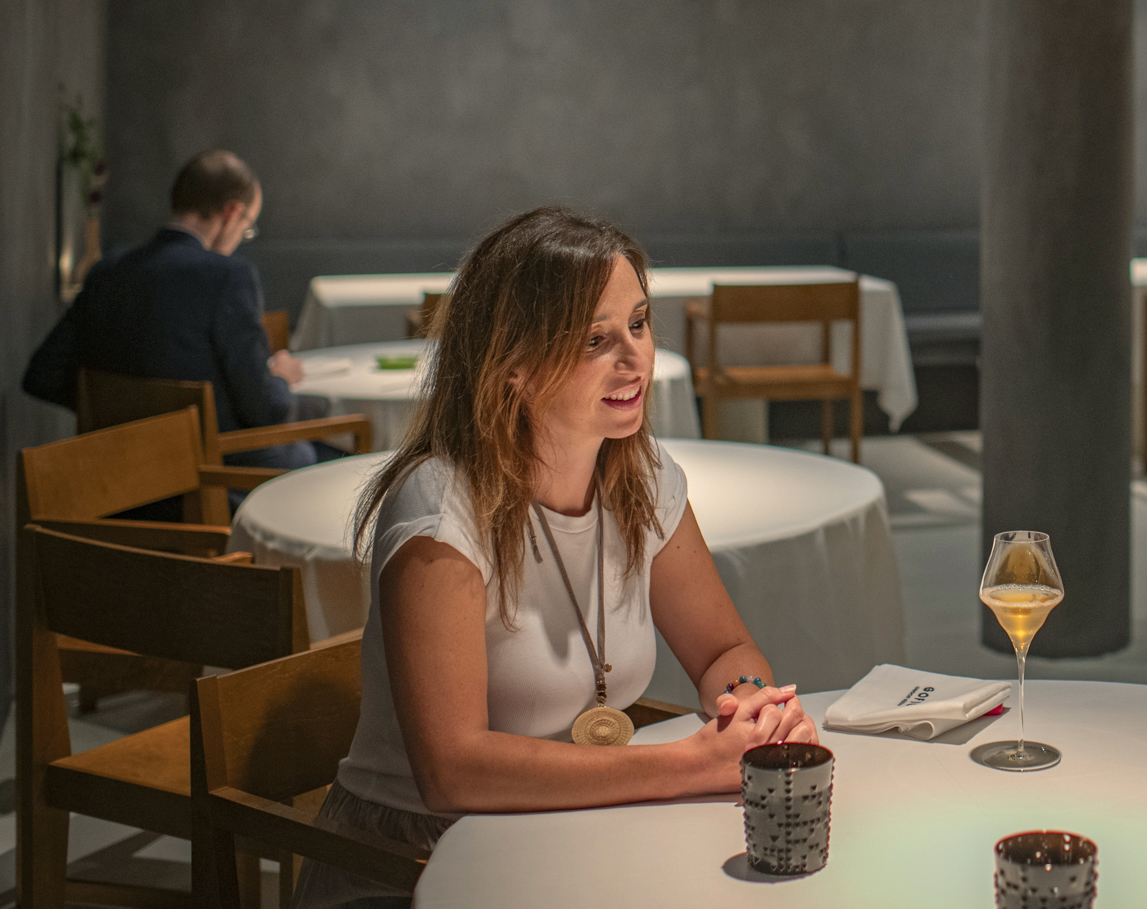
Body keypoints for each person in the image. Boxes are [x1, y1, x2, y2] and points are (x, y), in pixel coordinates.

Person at [293, 206, 815, 909]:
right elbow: (453, 770)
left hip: (565, 831)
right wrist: (686, 765)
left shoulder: (644, 478)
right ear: (514, 366)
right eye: (597, 339)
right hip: (410, 859)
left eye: (638, 322)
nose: (634, 357)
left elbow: (724, 647)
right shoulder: (441, 507)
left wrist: (747, 704)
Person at [22, 148, 318, 474]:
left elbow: (43, 377)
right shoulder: (227, 277)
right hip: (209, 485)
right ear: (232, 213)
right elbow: (266, 409)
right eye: (248, 227)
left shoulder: (106, 271)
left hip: (114, 485)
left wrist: (123, 422)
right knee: (325, 462)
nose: (242, 237)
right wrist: (280, 378)